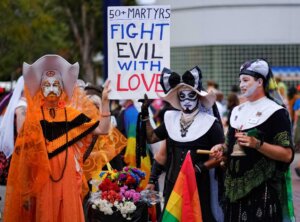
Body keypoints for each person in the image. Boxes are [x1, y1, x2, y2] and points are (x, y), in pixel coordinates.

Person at [4, 54, 111, 222]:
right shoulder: (34, 119)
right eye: (46, 85)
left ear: (62, 88)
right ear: (40, 89)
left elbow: (103, 129)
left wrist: (105, 102)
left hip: (68, 179)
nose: (51, 88)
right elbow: (25, 156)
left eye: (55, 84)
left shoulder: (73, 115)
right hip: (42, 181)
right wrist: (25, 190)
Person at [211, 59, 295, 221]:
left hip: (262, 192)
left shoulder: (276, 112)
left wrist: (258, 144)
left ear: (259, 82)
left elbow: (287, 155)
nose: (241, 84)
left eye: (245, 80)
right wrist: (221, 149)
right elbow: (230, 146)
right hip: (233, 192)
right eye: (240, 80)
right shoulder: (237, 110)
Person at [143, 66, 225, 222]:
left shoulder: (210, 124)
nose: (186, 100)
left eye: (191, 95)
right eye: (182, 96)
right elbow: (152, 139)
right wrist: (146, 116)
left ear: (198, 97)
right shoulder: (171, 119)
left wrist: (201, 167)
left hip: (199, 187)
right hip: (173, 185)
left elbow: (221, 155)